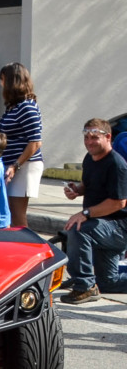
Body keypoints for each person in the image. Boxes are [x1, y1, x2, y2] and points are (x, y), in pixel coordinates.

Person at [59, 119, 127, 303]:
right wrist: (77, 190)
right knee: (108, 282)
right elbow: (89, 185)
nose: (89, 141)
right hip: (103, 227)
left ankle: (85, 285)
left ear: (108, 137)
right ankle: (91, 282)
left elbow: (118, 203)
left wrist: (86, 213)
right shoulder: (90, 158)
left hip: (118, 228)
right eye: (86, 137)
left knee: (78, 228)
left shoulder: (117, 165)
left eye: (94, 137)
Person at [0, 62, 43, 229]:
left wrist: (16, 165)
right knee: (10, 214)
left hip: (24, 165)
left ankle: (31, 249)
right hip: (12, 165)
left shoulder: (27, 107)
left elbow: (35, 142)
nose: (1, 84)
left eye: (2, 80)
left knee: (17, 215)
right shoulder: (13, 107)